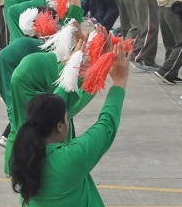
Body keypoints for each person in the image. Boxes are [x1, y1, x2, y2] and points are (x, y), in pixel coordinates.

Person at [9, 47, 131, 206]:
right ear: (60, 126)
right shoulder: (71, 157)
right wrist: (119, 81)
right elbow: (106, 124)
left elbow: (57, 99)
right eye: (67, 118)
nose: (68, 120)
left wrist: (71, 68)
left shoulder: (24, 156)